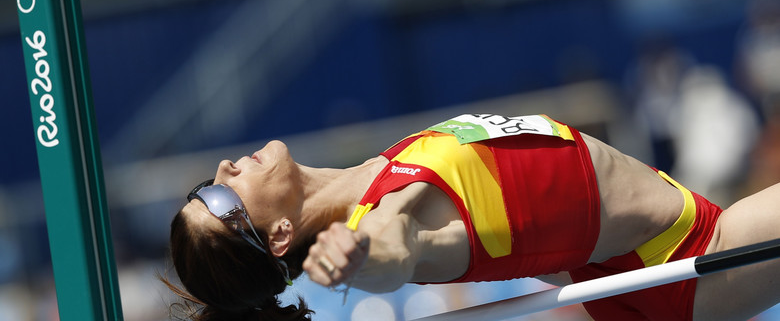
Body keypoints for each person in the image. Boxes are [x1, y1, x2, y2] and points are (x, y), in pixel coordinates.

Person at [163, 113, 780, 321]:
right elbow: (393, 250)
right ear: (276, 236)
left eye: (203, 186)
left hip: (615, 270)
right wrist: (359, 260)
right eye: (218, 201)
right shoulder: (384, 215)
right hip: (686, 265)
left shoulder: (374, 172)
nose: (223, 169)